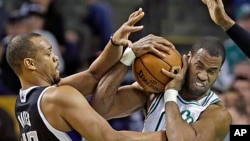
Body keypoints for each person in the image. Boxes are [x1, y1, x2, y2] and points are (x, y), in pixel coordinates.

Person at [8, 8, 171, 141]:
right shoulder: (58, 97)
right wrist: (169, 136)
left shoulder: (25, 101)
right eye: (48, 53)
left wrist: (115, 43)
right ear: (30, 63)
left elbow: (93, 75)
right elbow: (111, 139)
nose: (55, 57)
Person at [90, 36, 232, 140]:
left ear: (219, 73)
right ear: (188, 59)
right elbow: (100, 109)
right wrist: (129, 56)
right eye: (199, 66)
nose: (202, 76)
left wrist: (170, 93)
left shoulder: (218, 115)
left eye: (211, 71)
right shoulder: (156, 88)